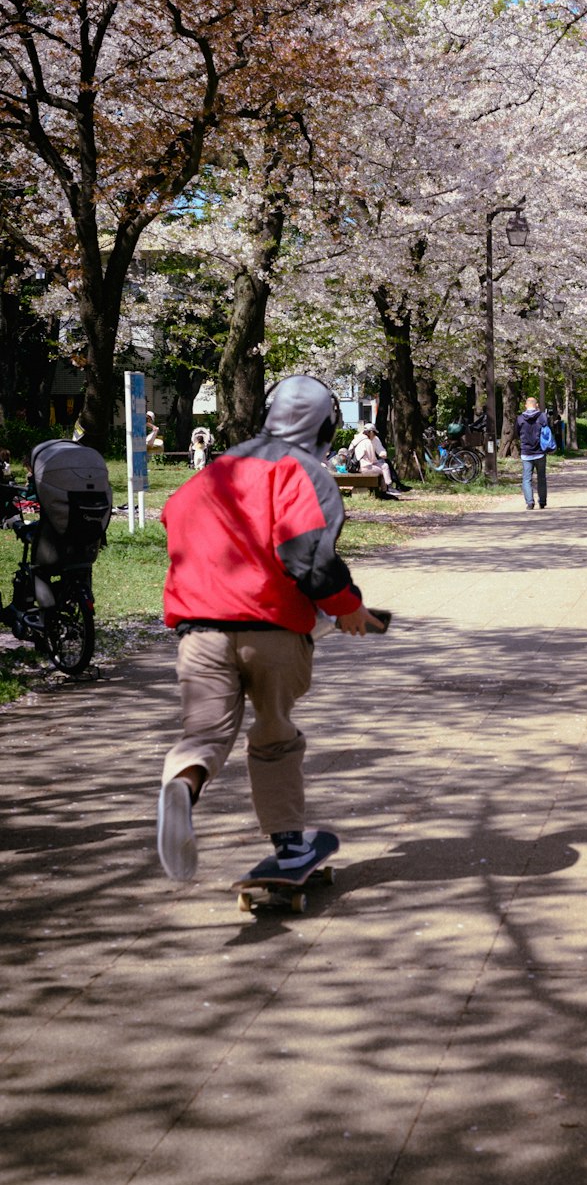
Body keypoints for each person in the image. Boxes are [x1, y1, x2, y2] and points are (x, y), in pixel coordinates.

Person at [155, 375, 385, 883]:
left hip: (198, 632)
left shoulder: (214, 471)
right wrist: (346, 606)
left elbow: (172, 519)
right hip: (271, 630)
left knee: (205, 735)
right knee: (274, 735)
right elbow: (305, 552)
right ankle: (289, 848)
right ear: (326, 424)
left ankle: (182, 784)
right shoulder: (304, 472)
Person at [516, 395, 550, 509]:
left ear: (526, 406)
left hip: (526, 452)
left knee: (526, 479)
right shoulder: (542, 417)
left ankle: (530, 502)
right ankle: (542, 501)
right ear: (537, 406)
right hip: (540, 452)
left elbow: (517, 433)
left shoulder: (520, 418)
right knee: (541, 477)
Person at [348, 423, 397, 497]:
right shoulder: (367, 442)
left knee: (383, 466)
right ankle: (386, 489)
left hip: (354, 467)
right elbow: (372, 459)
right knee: (384, 467)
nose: (374, 435)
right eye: (374, 433)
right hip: (364, 468)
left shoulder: (356, 440)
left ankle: (386, 489)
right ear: (370, 432)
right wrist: (379, 460)